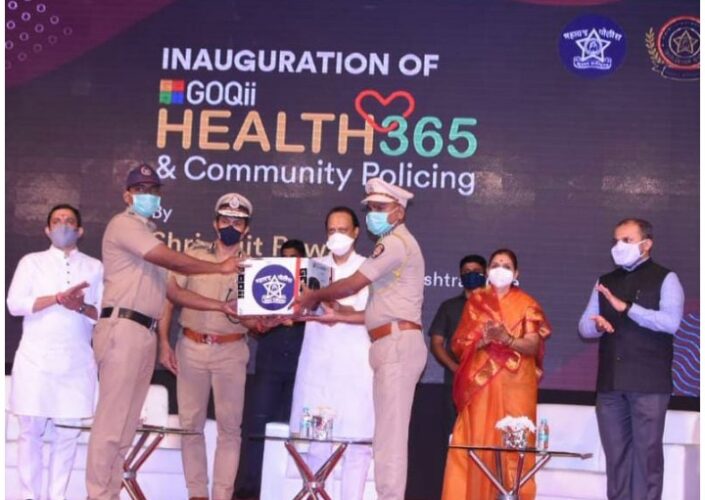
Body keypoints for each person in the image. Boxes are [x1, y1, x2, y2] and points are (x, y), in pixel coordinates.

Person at [86, 164, 244, 500]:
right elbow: (176, 262)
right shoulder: (124, 225)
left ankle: (109, 493)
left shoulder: (149, 235)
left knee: (126, 425)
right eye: (140, 189)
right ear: (127, 195)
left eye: (154, 190)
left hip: (143, 332)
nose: (148, 195)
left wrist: (221, 306)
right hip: (123, 328)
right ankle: (97, 495)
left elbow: (174, 293)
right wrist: (219, 268)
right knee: (111, 424)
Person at [296, 177, 427, 500]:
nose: (374, 215)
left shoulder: (394, 243)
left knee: (389, 440)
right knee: (385, 437)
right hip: (388, 342)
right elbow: (377, 308)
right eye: (371, 208)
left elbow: (354, 283)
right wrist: (341, 311)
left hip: (397, 343)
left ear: (399, 212)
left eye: (381, 208)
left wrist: (315, 295)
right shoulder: (393, 244)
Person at [158, 193, 259, 500]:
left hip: (232, 351)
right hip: (191, 347)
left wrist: (262, 320)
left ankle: (222, 495)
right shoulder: (193, 256)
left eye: (238, 222)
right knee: (191, 426)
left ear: (247, 229)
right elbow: (171, 297)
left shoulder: (254, 267)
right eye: (225, 220)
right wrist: (163, 343)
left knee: (230, 428)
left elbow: (256, 322)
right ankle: (197, 494)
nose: (231, 226)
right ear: (215, 224)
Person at [578, 218, 684, 500]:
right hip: (611, 385)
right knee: (616, 459)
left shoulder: (666, 278)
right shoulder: (605, 281)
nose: (619, 246)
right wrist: (598, 326)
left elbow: (671, 322)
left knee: (647, 457)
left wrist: (627, 308)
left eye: (627, 240)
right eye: (616, 240)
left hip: (649, 383)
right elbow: (584, 326)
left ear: (646, 244)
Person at [6, 204, 103, 500]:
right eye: (57, 221)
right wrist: (57, 299)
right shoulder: (31, 262)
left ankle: (57, 496)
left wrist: (80, 306)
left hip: (76, 363)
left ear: (80, 230)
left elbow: (100, 313)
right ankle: (29, 496)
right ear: (47, 230)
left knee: (67, 434)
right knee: (30, 434)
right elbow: (14, 305)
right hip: (35, 361)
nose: (63, 225)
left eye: (69, 221)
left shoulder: (94, 267)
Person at [442, 248, 551, 500]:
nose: (500, 269)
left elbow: (533, 345)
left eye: (506, 266)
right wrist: (481, 341)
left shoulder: (527, 304)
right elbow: (458, 344)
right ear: (488, 271)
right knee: (478, 442)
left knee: (514, 445)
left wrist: (507, 339)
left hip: (516, 384)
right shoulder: (476, 302)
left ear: (516, 273)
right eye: (495, 265)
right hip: (481, 384)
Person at [289, 206, 374, 499]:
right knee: (318, 443)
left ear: (356, 233)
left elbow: (374, 314)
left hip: (355, 367)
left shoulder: (369, 268)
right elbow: (295, 310)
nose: (337, 236)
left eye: (343, 230)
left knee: (357, 445)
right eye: (332, 230)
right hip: (318, 367)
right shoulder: (312, 268)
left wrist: (340, 309)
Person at [236, 239, 307, 499]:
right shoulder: (267, 281)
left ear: (303, 260)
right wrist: (265, 320)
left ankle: (284, 488)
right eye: (284, 257)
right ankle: (250, 488)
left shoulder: (312, 286)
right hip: (269, 364)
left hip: (299, 367)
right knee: (258, 426)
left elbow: (323, 317)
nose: (288, 261)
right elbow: (250, 318)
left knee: (291, 429)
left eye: (293, 257)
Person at [429, 255, 487, 442]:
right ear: (460, 276)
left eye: (476, 271)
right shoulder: (449, 307)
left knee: (486, 432)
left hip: (488, 379)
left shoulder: (495, 307)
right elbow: (436, 343)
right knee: (455, 434)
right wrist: (455, 367)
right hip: (456, 381)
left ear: (485, 274)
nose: (471, 275)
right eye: (466, 272)